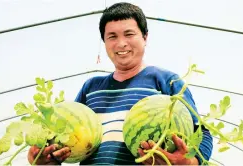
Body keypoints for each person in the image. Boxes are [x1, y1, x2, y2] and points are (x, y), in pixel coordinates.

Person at [28, 2, 213, 165]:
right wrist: (44, 159)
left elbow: (202, 134)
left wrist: (190, 162)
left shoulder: (166, 81)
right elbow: (68, 137)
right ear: (104, 42)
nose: (121, 43)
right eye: (112, 37)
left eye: (129, 34)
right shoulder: (91, 87)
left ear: (145, 37)